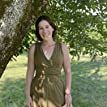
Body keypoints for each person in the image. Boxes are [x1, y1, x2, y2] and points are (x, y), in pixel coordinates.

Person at [25, 15, 73, 107]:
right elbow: (30, 72)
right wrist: (27, 95)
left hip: (57, 90)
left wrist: (68, 93)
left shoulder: (62, 47)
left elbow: (68, 71)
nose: (44, 31)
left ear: (52, 28)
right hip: (37, 92)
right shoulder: (34, 48)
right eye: (41, 28)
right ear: (38, 31)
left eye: (47, 27)